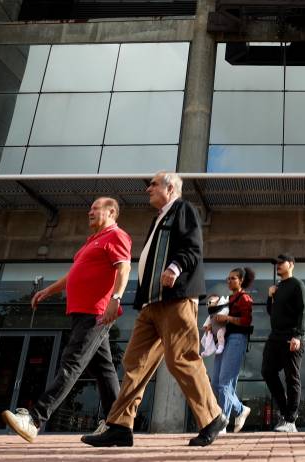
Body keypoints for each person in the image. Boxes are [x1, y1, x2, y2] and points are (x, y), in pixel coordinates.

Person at [84, 172, 228, 448]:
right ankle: (120, 427)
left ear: (170, 187)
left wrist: (175, 267)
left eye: (154, 184)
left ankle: (212, 418)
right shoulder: (158, 218)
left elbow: (193, 246)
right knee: (135, 363)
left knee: (181, 359)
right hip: (151, 304)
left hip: (175, 299)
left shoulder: (183, 209)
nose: (148, 188)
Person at [2, 197, 130, 443]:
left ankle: (35, 419)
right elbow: (74, 274)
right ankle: (120, 428)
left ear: (111, 212)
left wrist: (116, 297)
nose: (89, 212)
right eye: (89, 208)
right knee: (103, 370)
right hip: (81, 311)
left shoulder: (116, 235)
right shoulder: (91, 242)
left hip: (97, 312)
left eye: (95, 208)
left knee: (71, 363)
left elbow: (124, 267)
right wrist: (49, 290)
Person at [264, 253, 305, 432]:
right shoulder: (277, 288)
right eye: (276, 263)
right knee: (267, 371)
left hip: (292, 336)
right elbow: (271, 312)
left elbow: (304, 311)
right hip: (275, 336)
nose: (278, 265)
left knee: (291, 377)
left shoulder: (298, 285)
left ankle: (290, 419)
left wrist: (298, 335)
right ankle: (285, 413)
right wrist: (270, 296)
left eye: (281, 262)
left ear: (291, 264)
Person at [207, 267, 255, 433]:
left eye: (233, 278)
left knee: (225, 383)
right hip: (224, 340)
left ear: (241, 280)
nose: (229, 281)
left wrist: (227, 318)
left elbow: (247, 321)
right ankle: (241, 409)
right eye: (228, 278)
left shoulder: (244, 298)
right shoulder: (227, 299)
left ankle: (223, 422)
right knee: (216, 383)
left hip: (237, 339)